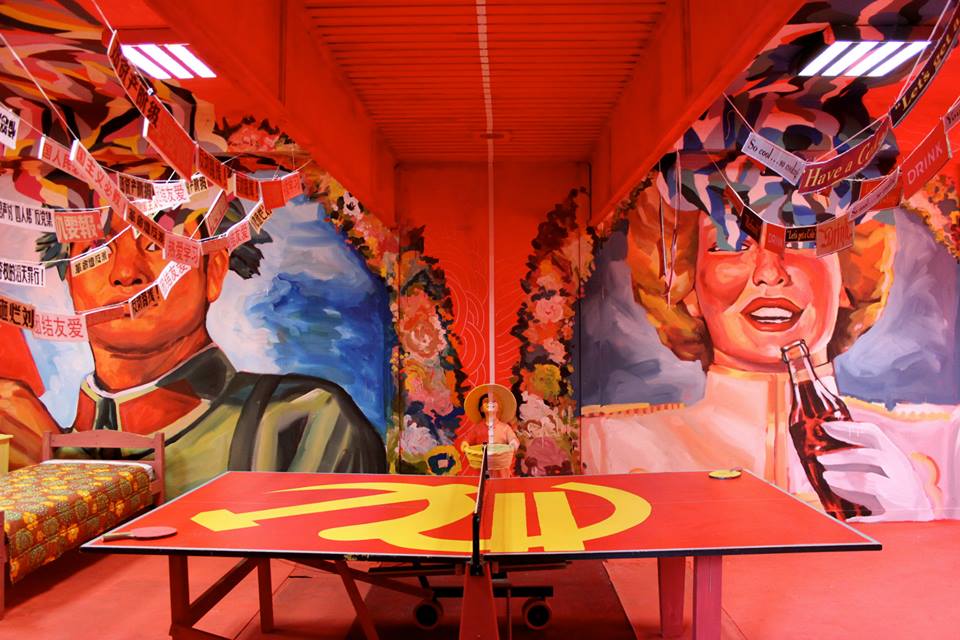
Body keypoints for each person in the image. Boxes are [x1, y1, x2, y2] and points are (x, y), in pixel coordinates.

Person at [581, 171, 957, 522]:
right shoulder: (608, 446)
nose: (768, 273)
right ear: (686, 285)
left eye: (803, 237)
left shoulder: (946, 443)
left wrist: (914, 522)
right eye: (729, 242)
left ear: (847, 276)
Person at [0, 198, 386, 497]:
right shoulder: (22, 436)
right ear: (69, 277)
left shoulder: (302, 419)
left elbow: (305, 576)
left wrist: (57, 476)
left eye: (157, 243)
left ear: (214, 271)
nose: (125, 273)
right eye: (98, 249)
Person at [458, 383, 520, 478]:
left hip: (500, 470)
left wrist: (512, 445)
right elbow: (467, 440)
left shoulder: (505, 428)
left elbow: (513, 439)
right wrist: (465, 444)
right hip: (481, 468)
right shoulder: (477, 428)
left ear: (498, 407)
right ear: (481, 409)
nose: (490, 403)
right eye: (486, 401)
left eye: (494, 401)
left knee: (501, 485)